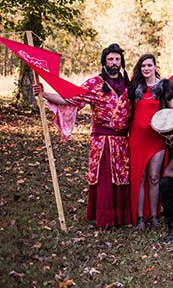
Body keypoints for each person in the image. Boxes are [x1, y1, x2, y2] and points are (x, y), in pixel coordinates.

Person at [36, 43, 132, 228]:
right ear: (104, 61)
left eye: (117, 59)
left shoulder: (129, 84)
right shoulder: (94, 83)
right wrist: (45, 93)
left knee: (122, 176)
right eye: (110, 59)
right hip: (102, 141)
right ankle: (105, 219)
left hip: (123, 140)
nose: (114, 62)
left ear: (121, 62)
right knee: (104, 177)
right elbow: (69, 98)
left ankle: (122, 217)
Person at [128, 54, 173, 229]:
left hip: (156, 138)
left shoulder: (163, 86)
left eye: (149, 65)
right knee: (140, 176)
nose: (146, 68)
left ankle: (154, 215)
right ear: (140, 68)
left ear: (154, 66)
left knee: (153, 177)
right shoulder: (134, 88)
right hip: (137, 137)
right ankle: (140, 218)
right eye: (143, 65)